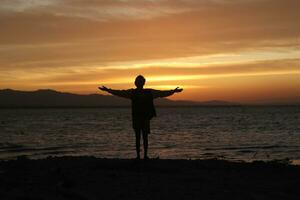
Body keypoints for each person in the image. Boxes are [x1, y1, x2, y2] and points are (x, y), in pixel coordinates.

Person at [99, 75, 183, 159]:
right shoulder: (146, 92)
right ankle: (143, 156)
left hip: (141, 117)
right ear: (142, 83)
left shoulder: (135, 92)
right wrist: (173, 91)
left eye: (139, 82)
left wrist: (108, 90)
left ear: (137, 83)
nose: (139, 83)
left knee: (139, 137)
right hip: (142, 117)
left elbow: (120, 93)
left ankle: (140, 156)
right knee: (142, 137)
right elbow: (161, 93)